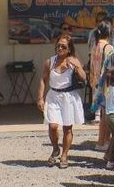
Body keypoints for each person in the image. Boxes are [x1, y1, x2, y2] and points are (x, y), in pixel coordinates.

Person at [37, 34, 86, 169]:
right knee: (52, 126)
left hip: (69, 97)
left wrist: (78, 67)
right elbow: (43, 79)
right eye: (58, 45)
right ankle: (55, 148)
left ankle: (64, 155)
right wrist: (40, 98)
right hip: (53, 96)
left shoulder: (73, 61)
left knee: (67, 128)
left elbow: (83, 78)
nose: (60, 48)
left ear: (69, 49)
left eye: (63, 46)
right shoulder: (50, 62)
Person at [89, 21, 114, 151]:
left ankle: (101, 141)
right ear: (109, 32)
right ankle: (105, 141)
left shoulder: (95, 46)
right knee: (107, 115)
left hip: (96, 83)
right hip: (106, 85)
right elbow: (113, 68)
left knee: (102, 114)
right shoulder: (109, 48)